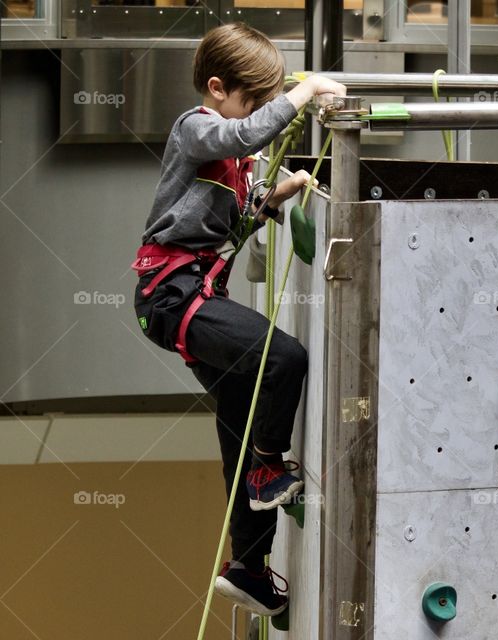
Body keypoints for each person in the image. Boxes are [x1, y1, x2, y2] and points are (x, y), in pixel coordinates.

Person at [131, 23, 346, 616]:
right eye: (251, 98)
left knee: (242, 422)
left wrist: (276, 195)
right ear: (219, 89)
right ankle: (269, 471)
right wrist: (304, 92)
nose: (254, 115)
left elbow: (232, 224)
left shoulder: (232, 163)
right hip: (172, 297)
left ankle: (250, 568)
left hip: (194, 295)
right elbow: (244, 131)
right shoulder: (197, 128)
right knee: (285, 357)